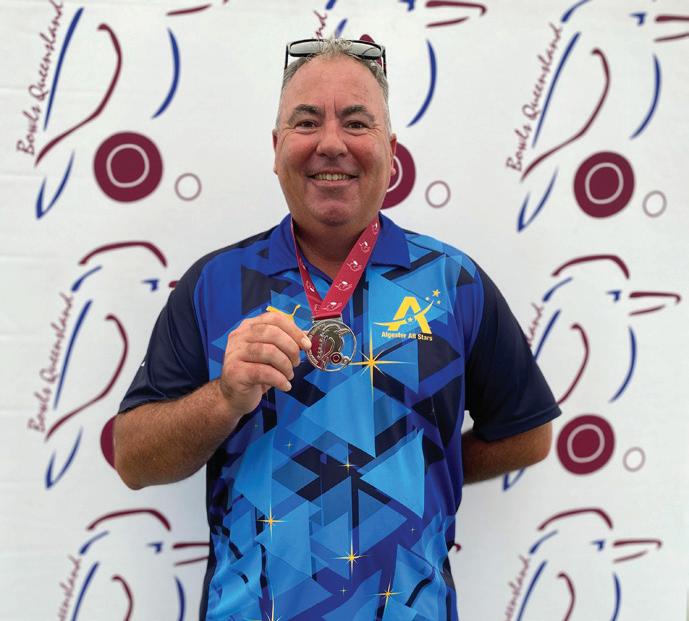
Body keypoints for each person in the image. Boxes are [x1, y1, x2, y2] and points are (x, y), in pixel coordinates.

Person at [114, 37, 560, 621]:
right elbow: (134, 459)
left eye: (355, 122)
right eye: (306, 122)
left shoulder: (454, 283)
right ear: (277, 149)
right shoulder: (215, 284)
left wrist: (420, 470)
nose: (330, 143)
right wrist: (224, 399)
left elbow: (528, 434)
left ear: (391, 152)